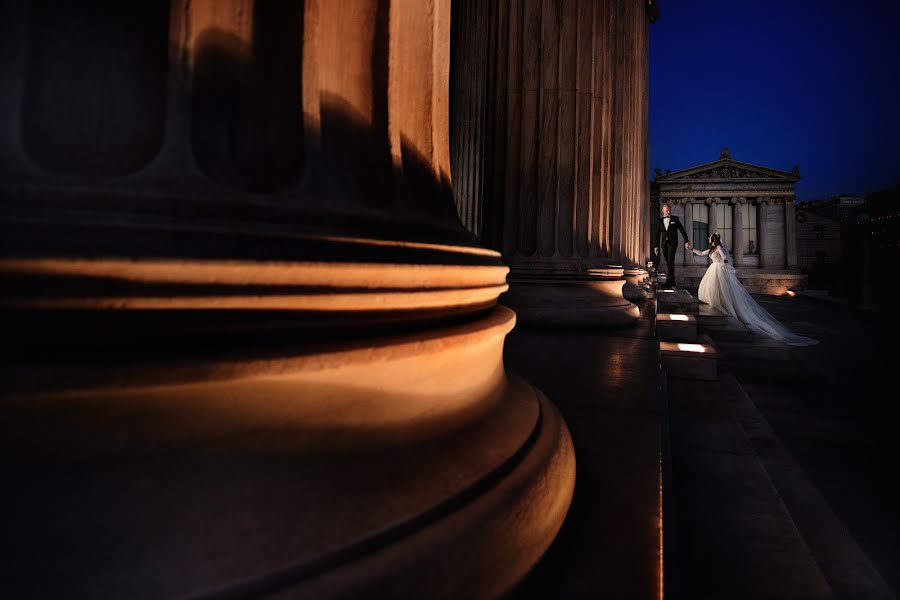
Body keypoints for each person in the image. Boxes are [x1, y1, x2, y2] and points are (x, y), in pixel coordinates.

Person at [689, 233, 817, 346]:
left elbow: (724, 257)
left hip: (718, 268)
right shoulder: (711, 249)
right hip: (713, 269)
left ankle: (723, 306)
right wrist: (692, 249)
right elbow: (701, 253)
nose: (709, 239)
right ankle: (716, 304)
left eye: (710, 238)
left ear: (714, 240)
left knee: (721, 289)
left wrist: (725, 263)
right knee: (713, 288)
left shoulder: (718, 248)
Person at [654, 203, 691, 287]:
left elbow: (682, 230)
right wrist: (656, 246)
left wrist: (686, 241)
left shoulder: (675, 219)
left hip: (672, 243)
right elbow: (657, 234)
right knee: (668, 262)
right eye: (667, 210)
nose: (668, 211)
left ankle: (670, 281)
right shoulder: (660, 221)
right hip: (664, 244)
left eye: (669, 210)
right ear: (663, 210)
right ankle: (671, 280)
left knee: (670, 261)